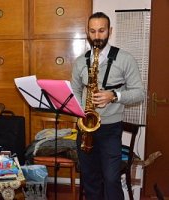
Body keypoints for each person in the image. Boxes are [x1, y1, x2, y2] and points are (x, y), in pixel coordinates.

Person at [71, 12, 145, 200]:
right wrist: (83, 112)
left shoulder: (125, 59)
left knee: (111, 179)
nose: (97, 36)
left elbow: (139, 93)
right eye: (93, 31)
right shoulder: (81, 62)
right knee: (90, 179)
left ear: (110, 31)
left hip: (111, 129)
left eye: (101, 31)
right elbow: (75, 91)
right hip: (86, 128)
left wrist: (114, 95)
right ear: (87, 32)